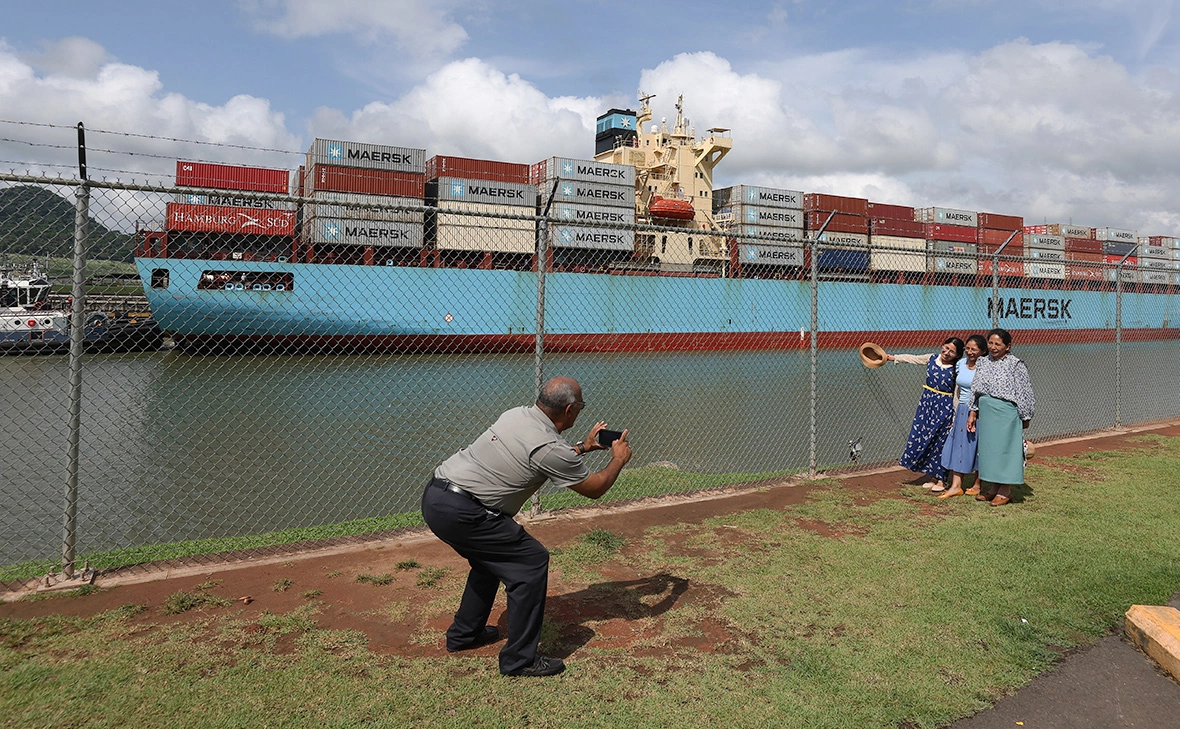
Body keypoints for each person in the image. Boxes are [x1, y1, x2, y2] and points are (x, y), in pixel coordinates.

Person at [421, 376, 632, 677]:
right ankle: (519, 660)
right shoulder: (549, 448)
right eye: (581, 406)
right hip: (466, 512)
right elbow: (595, 487)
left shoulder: (516, 414)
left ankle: (464, 635)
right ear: (570, 410)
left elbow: (544, 456)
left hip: (437, 497)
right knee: (531, 562)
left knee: (489, 563)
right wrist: (618, 460)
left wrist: (584, 447)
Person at [966, 328, 1035, 506]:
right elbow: (976, 387)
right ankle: (994, 488)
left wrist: (1025, 416)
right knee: (991, 451)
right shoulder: (983, 362)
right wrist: (972, 411)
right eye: (990, 343)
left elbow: (1024, 391)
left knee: (1006, 451)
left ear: (1008, 346)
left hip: (1006, 412)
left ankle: (1006, 490)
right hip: (987, 411)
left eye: (998, 344)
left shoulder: (1015, 364)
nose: (993, 347)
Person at [885, 338, 964, 493]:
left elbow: (956, 395)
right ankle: (932, 476)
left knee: (940, 443)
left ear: (957, 355)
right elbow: (914, 358)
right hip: (926, 405)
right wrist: (893, 357)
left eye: (951, 351)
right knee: (924, 438)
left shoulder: (956, 369)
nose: (947, 353)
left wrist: (954, 416)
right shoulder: (932, 358)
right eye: (946, 348)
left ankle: (942, 479)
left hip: (944, 407)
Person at [936, 334, 987, 499]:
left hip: (980, 410)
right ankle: (956, 485)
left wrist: (976, 411)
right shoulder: (960, 364)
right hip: (963, 409)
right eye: (967, 348)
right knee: (958, 445)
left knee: (979, 446)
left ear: (982, 351)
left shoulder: (986, 367)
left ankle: (978, 484)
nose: (970, 352)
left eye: (974, 349)